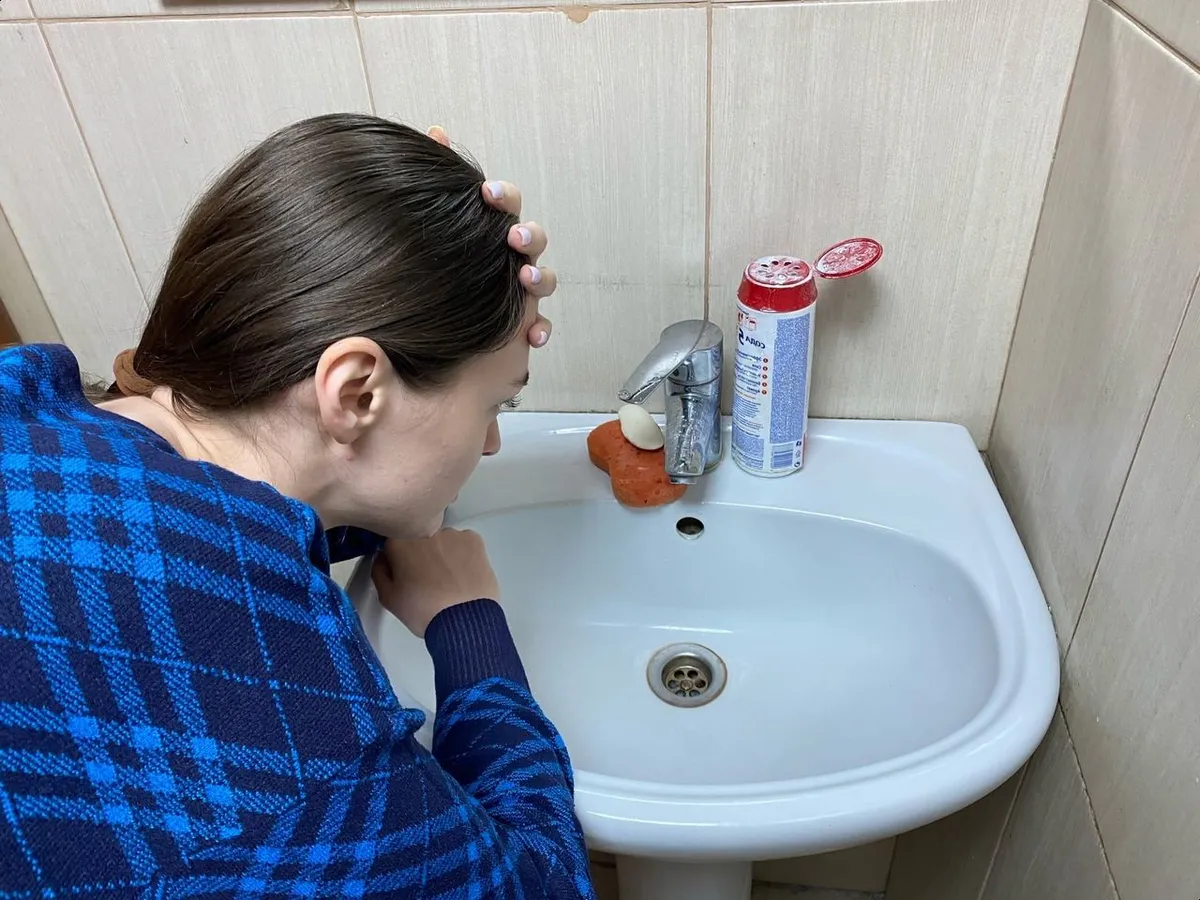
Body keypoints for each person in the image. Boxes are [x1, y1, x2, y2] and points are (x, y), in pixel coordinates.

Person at [0, 114, 595, 899]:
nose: (489, 445)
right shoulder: (303, 760)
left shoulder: (29, 403)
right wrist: (468, 624)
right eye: (497, 404)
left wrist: (405, 245)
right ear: (356, 391)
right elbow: (545, 885)